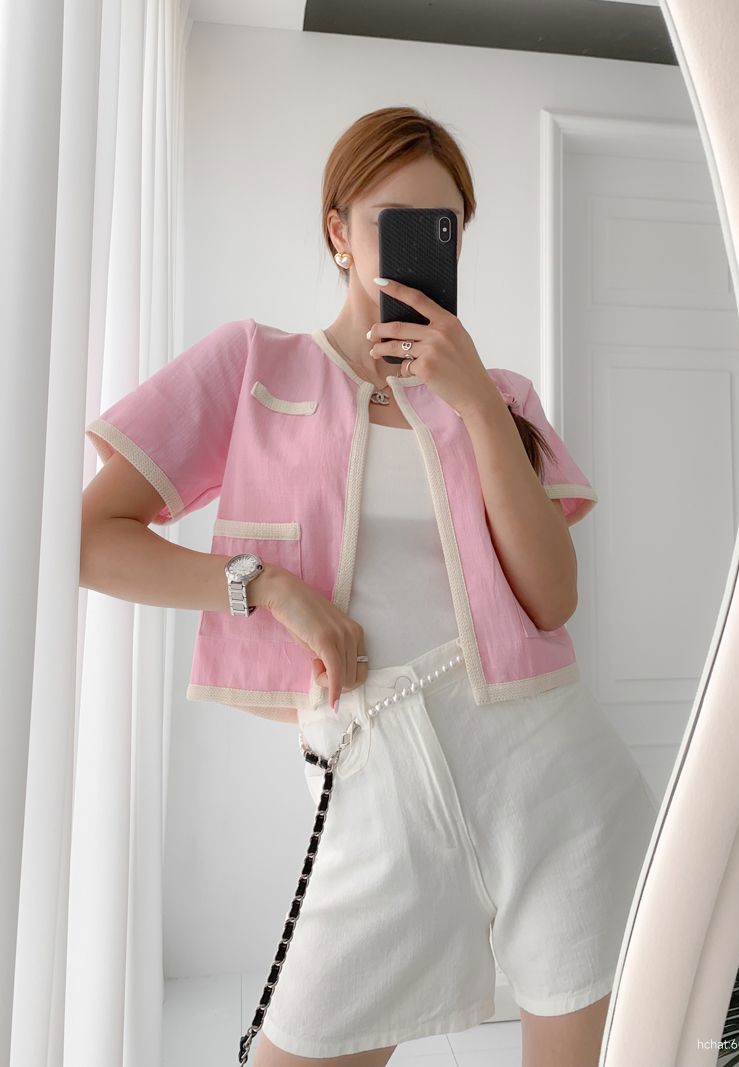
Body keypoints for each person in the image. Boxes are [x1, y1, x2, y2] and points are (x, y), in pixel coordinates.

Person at [81, 106, 659, 1067]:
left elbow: (553, 599)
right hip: (372, 771)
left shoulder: (502, 395)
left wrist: (475, 403)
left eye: (444, 228)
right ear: (338, 232)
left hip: (551, 770)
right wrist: (265, 586)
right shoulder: (252, 365)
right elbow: (93, 540)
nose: (419, 252)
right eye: (394, 224)